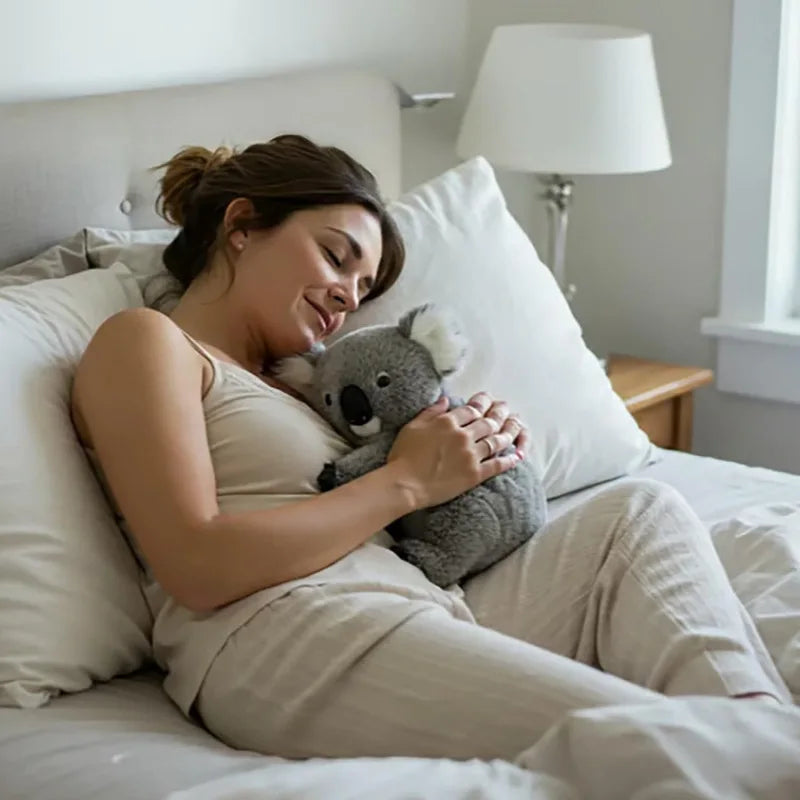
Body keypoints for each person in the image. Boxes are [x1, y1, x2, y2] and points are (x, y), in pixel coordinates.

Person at [70, 134, 791, 763]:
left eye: (362, 284)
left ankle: (760, 736)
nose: (347, 295)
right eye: (335, 256)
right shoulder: (148, 343)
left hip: (418, 598)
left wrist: (470, 456)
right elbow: (196, 564)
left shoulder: (311, 388)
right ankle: (754, 758)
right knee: (653, 740)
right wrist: (407, 482)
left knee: (639, 514)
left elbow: (389, 497)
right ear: (242, 226)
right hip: (283, 633)